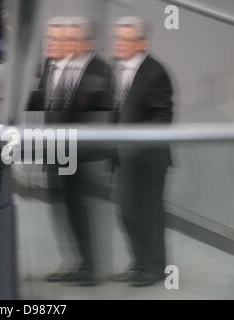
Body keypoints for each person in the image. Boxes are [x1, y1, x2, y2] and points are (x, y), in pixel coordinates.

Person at [28, 17, 114, 286]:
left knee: (83, 209)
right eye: (51, 39)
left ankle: (90, 267)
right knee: (63, 209)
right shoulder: (51, 64)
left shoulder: (100, 70)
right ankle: (77, 262)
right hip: (57, 152)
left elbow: (103, 116)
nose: (54, 44)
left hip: (84, 156)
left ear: (85, 42)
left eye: (64, 39)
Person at [110, 16, 173, 287]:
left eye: (126, 39)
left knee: (149, 215)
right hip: (124, 159)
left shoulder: (155, 72)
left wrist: (133, 145)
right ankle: (139, 263)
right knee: (128, 213)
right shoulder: (121, 68)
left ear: (141, 42)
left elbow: (162, 118)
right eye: (118, 38)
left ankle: (155, 268)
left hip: (148, 161)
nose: (120, 44)